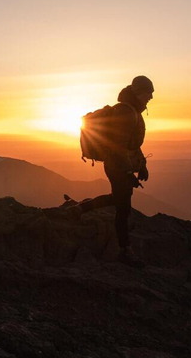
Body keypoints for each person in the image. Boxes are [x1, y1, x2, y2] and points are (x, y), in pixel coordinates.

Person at [66, 75, 153, 268]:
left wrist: (142, 164)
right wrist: (128, 173)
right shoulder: (127, 113)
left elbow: (132, 144)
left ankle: (80, 209)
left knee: (117, 199)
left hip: (120, 166)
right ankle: (126, 251)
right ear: (138, 92)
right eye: (149, 92)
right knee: (123, 209)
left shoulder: (132, 111)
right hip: (116, 166)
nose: (151, 97)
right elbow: (117, 147)